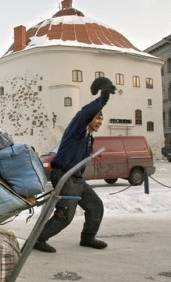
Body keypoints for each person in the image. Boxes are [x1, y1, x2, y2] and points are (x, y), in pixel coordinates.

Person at [34, 77, 116, 253]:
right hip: (64, 175)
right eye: (97, 118)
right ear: (88, 119)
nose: (99, 121)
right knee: (65, 216)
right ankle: (38, 239)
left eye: (102, 119)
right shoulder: (77, 129)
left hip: (76, 179)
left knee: (95, 205)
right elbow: (84, 114)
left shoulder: (87, 137)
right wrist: (103, 98)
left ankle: (88, 237)